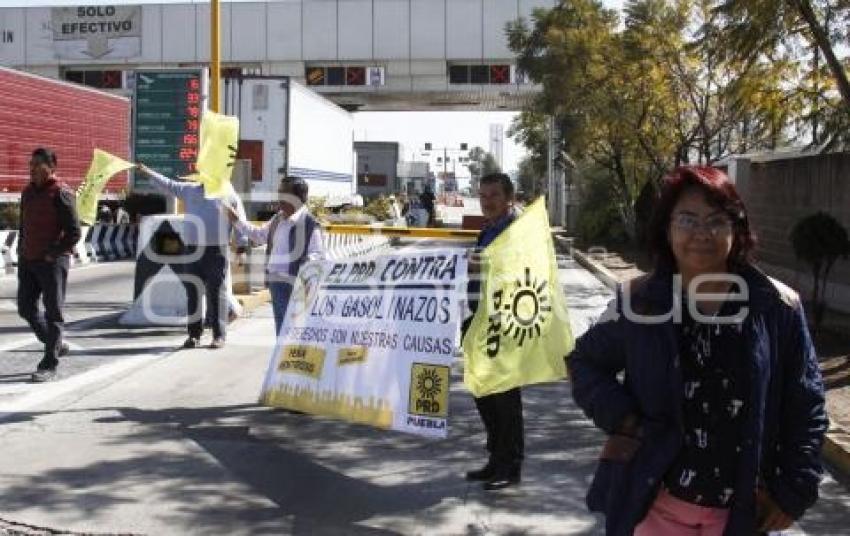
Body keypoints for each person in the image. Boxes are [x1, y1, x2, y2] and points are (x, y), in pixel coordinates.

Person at [568, 166, 827, 535]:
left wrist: (794, 491)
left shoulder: (777, 306)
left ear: (736, 229)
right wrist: (624, 418)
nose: (701, 233)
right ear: (667, 228)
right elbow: (583, 362)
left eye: (716, 220)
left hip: (740, 513)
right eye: (687, 219)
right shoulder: (639, 301)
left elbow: (806, 404)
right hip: (655, 506)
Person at [135, 163, 248, 350]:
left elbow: (240, 221)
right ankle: (194, 335)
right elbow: (168, 184)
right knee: (193, 293)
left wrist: (241, 248)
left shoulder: (228, 194)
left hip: (216, 251)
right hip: (192, 251)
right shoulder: (189, 190)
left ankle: (219, 336)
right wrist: (147, 172)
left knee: (216, 293)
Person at [462, 172, 524, 491]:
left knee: (504, 398)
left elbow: (521, 272)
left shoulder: (516, 229)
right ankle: (495, 458)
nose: (487, 202)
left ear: (509, 197)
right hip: (480, 318)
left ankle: (509, 465)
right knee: (483, 392)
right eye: (483, 196)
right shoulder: (489, 230)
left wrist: (482, 265)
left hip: (505, 322)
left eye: (494, 196)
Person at [224, 176, 324, 335]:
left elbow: (317, 256)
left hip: (295, 285)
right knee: (282, 328)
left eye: (283, 193)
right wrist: (236, 220)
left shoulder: (310, 224)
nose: (279, 197)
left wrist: (304, 272)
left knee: (295, 330)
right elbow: (258, 235)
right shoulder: (278, 218)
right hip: (276, 283)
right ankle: (282, 358)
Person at [17, 148, 81, 382]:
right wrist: (21, 250)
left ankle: (49, 364)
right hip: (28, 260)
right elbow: (24, 225)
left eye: (36, 165)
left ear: (51, 167)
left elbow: (74, 232)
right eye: (30, 164)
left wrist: (52, 253)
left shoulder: (61, 193)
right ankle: (55, 344)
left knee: (53, 312)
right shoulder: (27, 192)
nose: (31, 169)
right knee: (25, 307)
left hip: (52, 262)